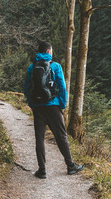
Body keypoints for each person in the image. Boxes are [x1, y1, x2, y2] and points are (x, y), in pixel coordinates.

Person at [24, 41, 83, 179]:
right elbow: (62, 87)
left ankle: (42, 170)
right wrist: (61, 105)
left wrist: (32, 104)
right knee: (61, 136)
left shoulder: (31, 67)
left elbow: (27, 89)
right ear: (49, 51)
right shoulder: (55, 66)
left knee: (39, 138)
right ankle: (70, 166)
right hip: (53, 106)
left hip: (38, 108)